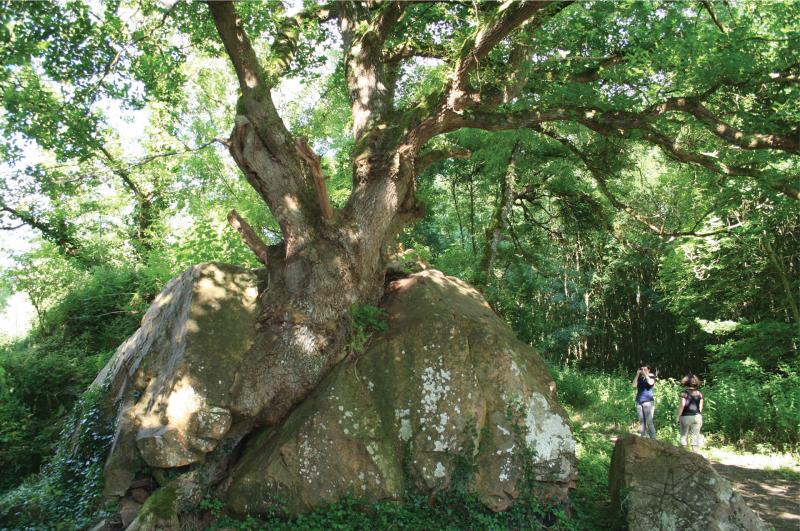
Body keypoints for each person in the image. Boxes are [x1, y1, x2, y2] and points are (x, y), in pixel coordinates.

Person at [675, 374, 704, 451]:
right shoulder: (700, 393)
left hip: (685, 417)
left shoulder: (683, 393)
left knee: (683, 436)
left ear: (686, 382)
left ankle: (683, 456)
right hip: (697, 417)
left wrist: (678, 417)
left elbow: (682, 406)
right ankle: (696, 456)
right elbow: (700, 408)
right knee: (695, 437)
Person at [632, 365, 657, 438]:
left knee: (649, 422)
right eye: (641, 369)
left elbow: (651, 383)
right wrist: (637, 375)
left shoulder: (652, 377)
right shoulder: (640, 378)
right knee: (642, 422)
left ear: (649, 370)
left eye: (645, 369)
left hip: (648, 402)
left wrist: (645, 374)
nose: (643, 370)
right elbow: (633, 385)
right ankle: (643, 437)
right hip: (639, 401)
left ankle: (653, 439)